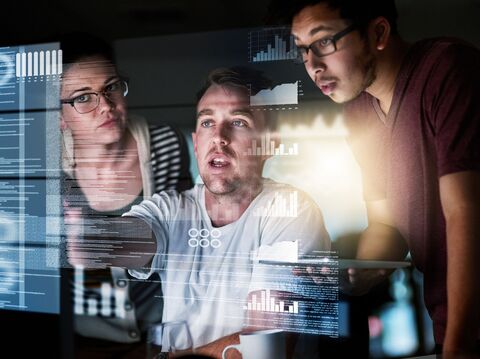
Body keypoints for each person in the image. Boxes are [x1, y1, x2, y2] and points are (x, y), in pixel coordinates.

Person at [67, 67, 331, 357]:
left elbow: (264, 348)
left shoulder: (291, 210)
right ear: (195, 142)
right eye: (207, 122)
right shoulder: (171, 207)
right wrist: (90, 238)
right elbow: (131, 237)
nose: (219, 137)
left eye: (239, 122)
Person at [268, 0, 480, 357]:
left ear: (378, 33)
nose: (313, 67)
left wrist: (458, 346)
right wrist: (360, 269)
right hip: (450, 326)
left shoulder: (447, 69)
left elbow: (467, 210)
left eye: (323, 43)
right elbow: (385, 226)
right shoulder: (358, 109)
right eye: (303, 51)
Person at [60, 33, 192, 358]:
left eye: (111, 87)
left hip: (166, 340)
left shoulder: (166, 145)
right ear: (59, 116)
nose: (105, 106)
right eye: (83, 98)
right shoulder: (46, 169)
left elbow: (189, 240)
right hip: (86, 345)